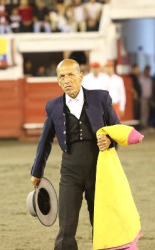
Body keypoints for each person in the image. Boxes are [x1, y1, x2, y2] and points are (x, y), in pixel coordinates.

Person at [30, 59, 120, 249]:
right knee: (66, 226)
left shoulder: (100, 98)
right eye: (62, 76)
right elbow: (45, 141)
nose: (67, 80)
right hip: (70, 171)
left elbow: (118, 129)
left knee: (102, 224)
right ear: (58, 81)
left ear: (81, 76)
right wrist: (37, 171)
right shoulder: (53, 106)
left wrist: (111, 140)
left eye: (71, 74)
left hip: (99, 169)